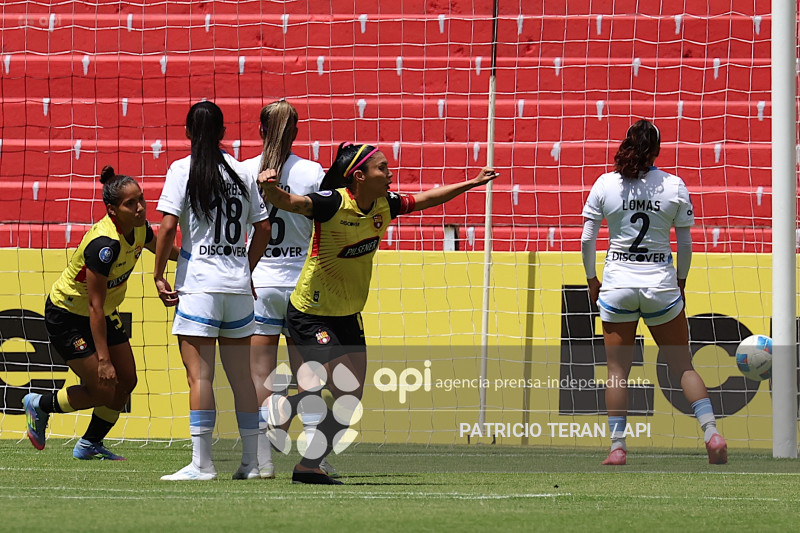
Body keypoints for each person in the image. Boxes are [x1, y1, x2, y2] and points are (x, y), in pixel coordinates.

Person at [258, 141, 498, 484]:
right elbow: (290, 202)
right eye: (382, 168)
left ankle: (309, 466)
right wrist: (269, 187)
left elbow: (429, 198)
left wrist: (471, 183)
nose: (389, 174)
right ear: (358, 176)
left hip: (348, 313)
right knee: (328, 379)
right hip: (311, 311)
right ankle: (279, 405)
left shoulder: (387, 205)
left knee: (351, 399)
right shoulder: (332, 203)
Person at [580, 119, 727, 465]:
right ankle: (712, 434)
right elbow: (686, 242)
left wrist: (591, 279)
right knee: (683, 366)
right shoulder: (674, 186)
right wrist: (681, 281)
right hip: (660, 286)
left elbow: (587, 239)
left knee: (617, 371)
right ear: (657, 150)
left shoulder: (605, 184)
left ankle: (617, 448)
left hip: (617, 286)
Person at [22, 166, 178, 460]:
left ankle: (90, 443)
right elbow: (94, 306)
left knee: (127, 380)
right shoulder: (104, 245)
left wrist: (199, 259)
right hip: (68, 315)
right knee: (104, 388)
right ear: (113, 210)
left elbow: (165, 250)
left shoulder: (141, 228)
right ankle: (40, 404)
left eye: (141, 199)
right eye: (130, 203)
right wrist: (104, 360)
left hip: (103, 312)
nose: (140, 207)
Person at [153, 101, 271, 481]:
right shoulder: (242, 170)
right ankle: (253, 464)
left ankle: (202, 464)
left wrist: (158, 274)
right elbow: (264, 229)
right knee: (243, 379)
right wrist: (245, 269)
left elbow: (168, 228)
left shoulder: (181, 169)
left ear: (187, 132)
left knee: (199, 378)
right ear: (223, 132)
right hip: (237, 290)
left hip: (200, 287)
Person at [241, 99, 342, 479]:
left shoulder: (244, 170)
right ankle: (314, 457)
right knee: (311, 378)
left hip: (260, 283)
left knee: (260, 379)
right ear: (296, 132)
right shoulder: (313, 172)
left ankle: (261, 460)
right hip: (303, 285)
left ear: (261, 131)